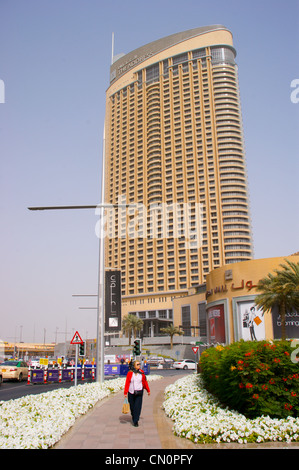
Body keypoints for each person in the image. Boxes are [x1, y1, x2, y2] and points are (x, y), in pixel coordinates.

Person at [124, 360, 150, 427]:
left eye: (139, 364)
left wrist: (148, 390)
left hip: (139, 391)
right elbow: (127, 383)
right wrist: (125, 392)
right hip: (131, 392)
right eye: (137, 364)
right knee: (132, 406)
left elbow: (144, 382)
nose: (139, 365)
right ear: (134, 366)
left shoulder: (141, 372)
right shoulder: (130, 373)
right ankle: (133, 416)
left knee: (137, 407)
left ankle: (136, 420)